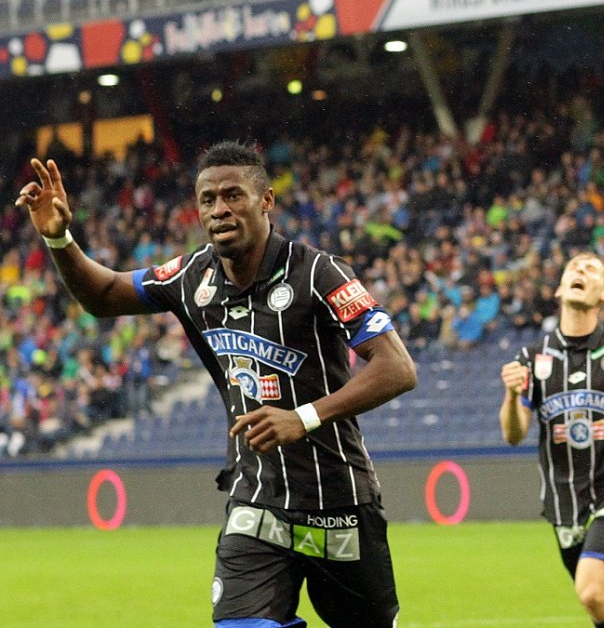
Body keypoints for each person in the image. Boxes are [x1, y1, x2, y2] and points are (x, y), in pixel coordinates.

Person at [16, 144, 417, 627]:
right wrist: (61, 242)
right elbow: (103, 295)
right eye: (207, 200)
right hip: (257, 503)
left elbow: (397, 366)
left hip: (338, 502)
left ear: (266, 200)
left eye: (233, 195)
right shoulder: (192, 275)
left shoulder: (318, 272)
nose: (219, 209)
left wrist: (302, 417)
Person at [499, 251, 604, 628]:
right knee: (600, 600)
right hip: (564, 500)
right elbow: (513, 434)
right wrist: (511, 396)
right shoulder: (531, 358)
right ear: (560, 287)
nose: (580, 270)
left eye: (591, 269)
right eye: (573, 267)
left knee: (591, 590)